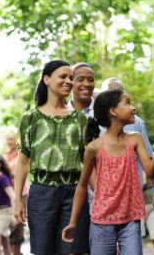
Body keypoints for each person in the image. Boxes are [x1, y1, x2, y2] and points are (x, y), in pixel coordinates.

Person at [62, 88, 154, 255]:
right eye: (127, 103)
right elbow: (82, 186)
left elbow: (150, 171)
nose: (133, 108)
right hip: (101, 222)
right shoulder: (94, 147)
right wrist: (73, 221)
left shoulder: (135, 138)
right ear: (113, 111)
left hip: (130, 220)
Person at [15, 60, 90, 255]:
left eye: (71, 78)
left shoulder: (79, 118)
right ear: (46, 79)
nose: (68, 82)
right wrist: (17, 201)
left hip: (74, 194)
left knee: (72, 250)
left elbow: (88, 163)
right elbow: (22, 161)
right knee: (43, 251)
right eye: (63, 77)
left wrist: (101, 196)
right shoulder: (30, 118)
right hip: (41, 194)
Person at [101, 78, 154, 255]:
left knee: (130, 242)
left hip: (132, 194)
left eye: (120, 94)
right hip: (104, 197)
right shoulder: (95, 122)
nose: (116, 97)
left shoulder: (136, 123)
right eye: (111, 93)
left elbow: (148, 161)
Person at [68, 62, 96, 213]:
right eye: (80, 79)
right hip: (69, 200)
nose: (86, 84)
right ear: (71, 82)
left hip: (102, 197)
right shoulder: (59, 115)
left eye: (90, 79)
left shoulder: (106, 114)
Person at [3, 130, 28, 255]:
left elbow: (23, 170)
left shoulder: (21, 154)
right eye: (7, 140)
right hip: (8, 193)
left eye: (11, 139)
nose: (9, 142)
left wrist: (10, 174)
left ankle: (16, 252)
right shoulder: (5, 156)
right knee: (9, 223)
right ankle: (11, 252)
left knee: (18, 223)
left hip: (21, 192)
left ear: (16, 140)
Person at [0, 155, 15, 255]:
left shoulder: (2, 178)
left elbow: (13, 196)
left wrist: (13, 214)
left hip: (5, 212)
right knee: (4, 239)